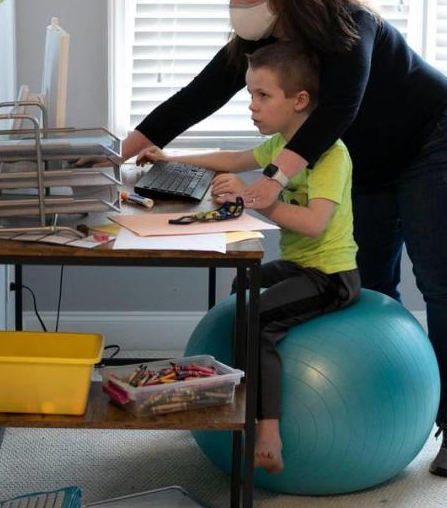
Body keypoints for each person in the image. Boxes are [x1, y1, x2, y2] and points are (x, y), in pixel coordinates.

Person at [124, 0, 447, 477]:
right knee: (373, 282)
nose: (237, 4)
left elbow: (341, 105)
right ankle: (370, 412)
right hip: (365, 158)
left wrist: (271, 180)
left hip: (438, 139)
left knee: (441, 279)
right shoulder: (262, 44)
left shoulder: (346, 19)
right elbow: (196, 96)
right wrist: (115, 155)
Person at [138, 43, 360, 474]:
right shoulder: (281, 143)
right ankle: (240, 385)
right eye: (249, 96)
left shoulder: (330, 154)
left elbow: (314, 223)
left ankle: (269, 431)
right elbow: (233, 159)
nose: (252, 108)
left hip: (331, 276)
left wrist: (252, 200)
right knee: (243, 283)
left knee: (256, 317)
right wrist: (170, 157)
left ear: (299, 100)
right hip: (302, 268)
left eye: (263, 96)